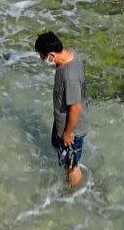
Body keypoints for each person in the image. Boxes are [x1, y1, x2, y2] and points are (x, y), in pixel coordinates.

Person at [34, 31, 89, 187]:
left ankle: (74, 194)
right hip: (62, 120)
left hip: (72, 128)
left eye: (42, 56)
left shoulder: (69, 76)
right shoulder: (69, 54)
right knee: (58, 149)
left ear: (52, 55)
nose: (41, 59)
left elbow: (76, 108)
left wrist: (68, 133)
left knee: (71, 166)